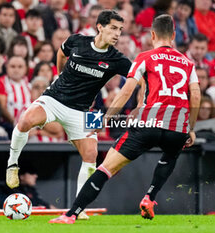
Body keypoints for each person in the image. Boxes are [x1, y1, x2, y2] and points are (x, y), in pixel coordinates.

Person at [49, 14, 201, 224]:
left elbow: (125, 92)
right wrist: (190, 128)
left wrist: (106, 119)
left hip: (149, 123)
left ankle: (71, 214)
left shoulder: (145, 57)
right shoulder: (188, 63)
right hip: (177, 126)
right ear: (174, 35)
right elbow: (196, 96)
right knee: (170, 156)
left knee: (106, 168)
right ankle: (149, 197)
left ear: (152, 35)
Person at [5, 10, 131, 220]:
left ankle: (78, 208)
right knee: (26, 119)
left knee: (91, 155)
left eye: (120, 29)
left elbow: (137, 77)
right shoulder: (77, 41)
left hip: (82, 110)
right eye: (113, 28)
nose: (117, 34)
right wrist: (59, 74)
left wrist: (143, 97)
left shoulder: (117, 59)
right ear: (100, 26)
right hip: (55, 98)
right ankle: (12, 164)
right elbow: (61, 53)